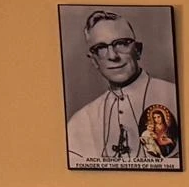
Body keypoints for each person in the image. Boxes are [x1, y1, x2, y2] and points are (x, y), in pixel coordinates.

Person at [64, 10, 179, 167]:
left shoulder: (175, 97)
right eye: (101, 48)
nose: (112, 56)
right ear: (94, 61)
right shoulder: (79, 122)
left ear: (138, 50)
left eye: (121, 43)